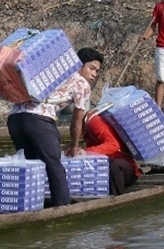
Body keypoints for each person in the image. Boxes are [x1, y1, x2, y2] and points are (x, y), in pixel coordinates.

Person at [6, 48, 103, 207]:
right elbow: (77, 121)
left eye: (97, 71)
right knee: (55, 167)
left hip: (15, 119)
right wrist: (75, 145)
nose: (94, 74)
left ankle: (31, 205)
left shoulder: (54, 73)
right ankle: (63, 208)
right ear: (79, 65)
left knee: (31, 165)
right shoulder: (82, 83)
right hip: (38, 121)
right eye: (91, 68)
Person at [82, 113, 141, 196]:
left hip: (123, 171)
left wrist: (87, 152)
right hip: (109, 173)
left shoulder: (94, 122)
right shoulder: (88, 127)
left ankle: (117, 197)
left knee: (113, 164)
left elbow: (113, 145)